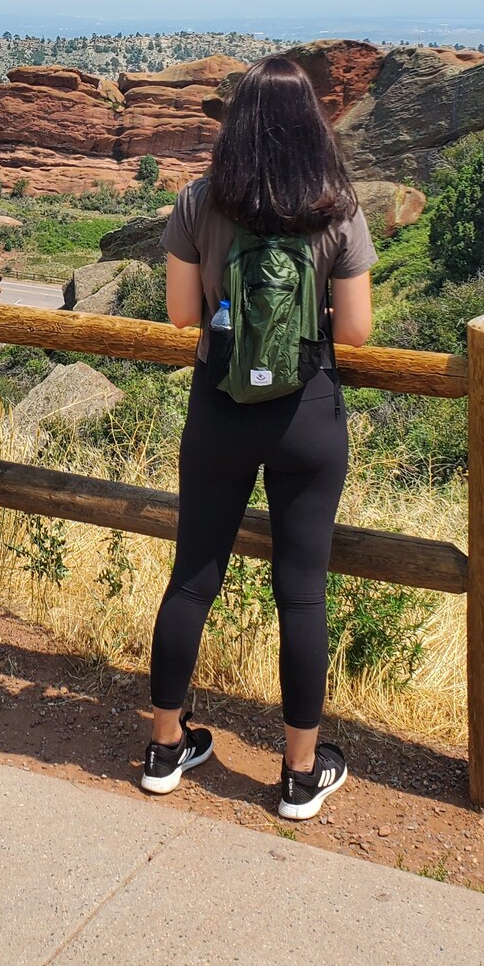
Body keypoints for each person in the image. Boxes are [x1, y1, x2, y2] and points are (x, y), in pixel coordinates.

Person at [140, 55, 376, 821]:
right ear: (312, 125)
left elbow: (182, 315)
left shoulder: (198, 201)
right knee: (301, 591)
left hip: (219, 406)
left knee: (192, 579)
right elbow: (358, 331)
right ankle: (300, 775)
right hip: (308, 412)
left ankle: (165, 750)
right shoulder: (337, 207)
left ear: (237, 122)